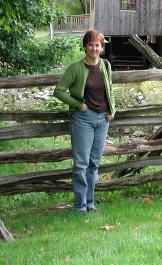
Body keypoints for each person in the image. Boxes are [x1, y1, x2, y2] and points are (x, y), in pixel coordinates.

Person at [53, 30, 115, 212]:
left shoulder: (105, 65)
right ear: (85, 47)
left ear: (101, 47)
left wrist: (113, 109)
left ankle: (90, 203)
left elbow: (110, 89)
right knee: (81, 164)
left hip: (103, 119)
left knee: (94, 162)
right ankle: (80, 206)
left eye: (98, 45)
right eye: (91, 45)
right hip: (83, 120)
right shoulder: (75, 68)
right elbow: (59, 90)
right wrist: (78, 105)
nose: (94, 48)